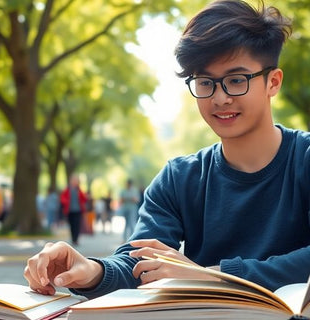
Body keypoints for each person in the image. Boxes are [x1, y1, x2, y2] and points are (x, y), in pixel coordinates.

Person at [24, 0, 310, 301]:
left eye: (236, 80)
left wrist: (214, 276)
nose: (220, 98)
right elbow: (139, 263)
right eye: (205, 82)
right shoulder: (179, 178)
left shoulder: (303, 159)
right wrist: (91, 269)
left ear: (273, 82)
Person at [60, 175, 87, 246]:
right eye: (73, 180)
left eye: (76, 181)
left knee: (77, 225)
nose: (75, 182)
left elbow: (84, 198)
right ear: (70, 181)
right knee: (72, 225)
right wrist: (66, 202)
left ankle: (76, 239)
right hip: (70, 211)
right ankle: (73, 239)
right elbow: (62, 198)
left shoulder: (79, 190)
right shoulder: (67, 190)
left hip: (78, 210)